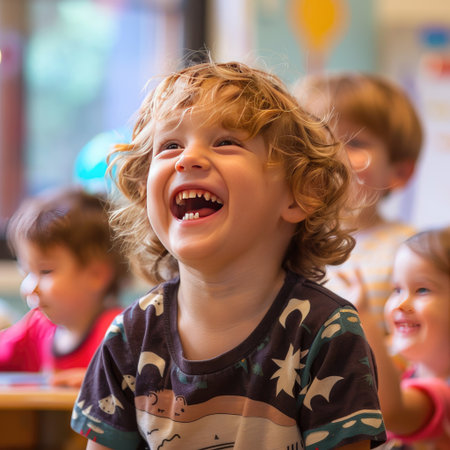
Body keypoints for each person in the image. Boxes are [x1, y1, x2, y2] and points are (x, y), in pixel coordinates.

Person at [70, 61, 386, 450]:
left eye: (225, 142)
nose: (187, 159)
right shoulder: (131, 335)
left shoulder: (327, 332)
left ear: (297, 194)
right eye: (170, 145)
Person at [294, 73, 423, 332]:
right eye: (318, 142)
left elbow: (409, 356)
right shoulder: (290, 238)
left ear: (399, 172)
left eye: (354, 143)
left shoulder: (408, 252)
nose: (331, 156)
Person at [0, 188, 129, 387]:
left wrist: (103, 382)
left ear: (96, 275)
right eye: (26, 272)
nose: (29, 288)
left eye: (45, 271)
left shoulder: (120, 334)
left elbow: (148, 386)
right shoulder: (36, 327)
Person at [342, 226, 450, 449]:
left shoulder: (444, 394)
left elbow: (389, 410)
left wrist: (363, 316)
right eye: (397, 289)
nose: (401, 303)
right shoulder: (405, 372)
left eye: (422, 290)